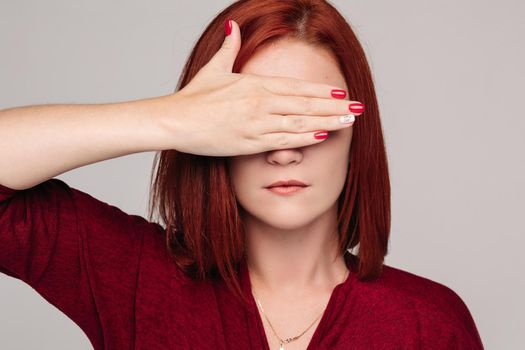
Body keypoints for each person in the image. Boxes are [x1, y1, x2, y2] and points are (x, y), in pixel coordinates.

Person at [0, 1, 484, 349]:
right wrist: (172, 119)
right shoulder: (134, 279)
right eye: (256, 120)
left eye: (310, 118)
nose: (284, 150)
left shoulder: (430, 324)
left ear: (358, 132)